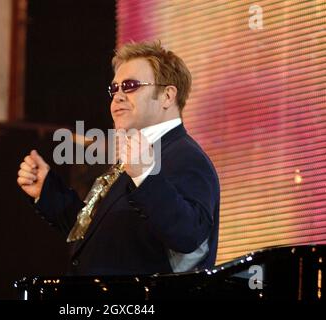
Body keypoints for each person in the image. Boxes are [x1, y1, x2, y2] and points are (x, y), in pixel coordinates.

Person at [17, 41, 220, 275]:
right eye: (114, 89)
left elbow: (190, 235)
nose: (118, 97)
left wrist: (146, 175)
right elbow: (97, 233)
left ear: (167, 95)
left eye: (130, 86)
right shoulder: (137, 155)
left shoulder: (186, 157)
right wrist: (48, 192)